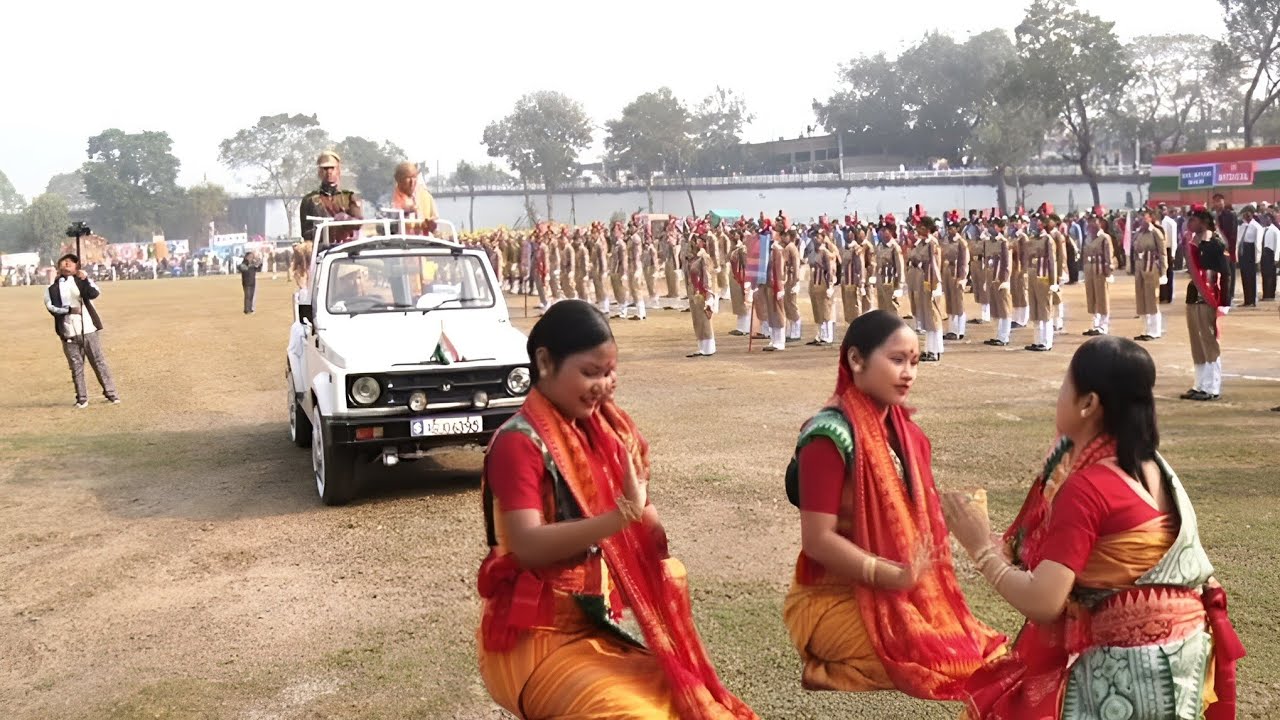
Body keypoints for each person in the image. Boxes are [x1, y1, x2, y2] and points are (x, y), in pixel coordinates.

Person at [476, 300, 758, 720]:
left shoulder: (607, 434)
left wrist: (644, 514)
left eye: (610, 372)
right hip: (534, 641)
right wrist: (618, 518)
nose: (604, 385)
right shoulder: (519, 443)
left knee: (702, 709)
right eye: (591, 372)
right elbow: (528, 546)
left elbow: (650, 536)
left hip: (595, 630)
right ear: (545, 362)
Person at [941, 336, 1245, 720]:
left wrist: (979, 547)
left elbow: (1044, 601)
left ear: (1089, 404)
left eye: (1065, 386)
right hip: (1179, 663)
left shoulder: (1087, 487)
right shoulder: (1152, 466)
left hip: (1127, 675)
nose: (1059, 396)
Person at [782, 310, 1006, 699]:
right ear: (856, 360)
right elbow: (818, 541)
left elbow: (916, 514)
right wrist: (894, 575)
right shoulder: (827, 436)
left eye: (915, 362)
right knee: (934, 663)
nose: (909, 374)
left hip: (900, 592)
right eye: (897, 360)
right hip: (831, 597)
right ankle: (829, 659)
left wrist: (975, 529)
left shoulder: (905, 434)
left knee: (982, 655)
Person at [45, 253, 120, 408]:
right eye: (64, 262)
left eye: (71, 262)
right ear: (59, 267)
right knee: (76, 366)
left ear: (76, 267)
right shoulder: (52, 289)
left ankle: (111, 393)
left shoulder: (82, 282)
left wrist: (85, 279)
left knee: (99, 362)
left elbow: (94, 294)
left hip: (88, 329)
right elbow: (51, 307)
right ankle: (82, 398)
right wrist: (68, 310)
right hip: (68, 332)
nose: (67, 264)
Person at [1182, 205, 1232, 401]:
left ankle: (1212, 388)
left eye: (1193, 220)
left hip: (1209, 297)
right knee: (1197, 343)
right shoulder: (1195, 242)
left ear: (1203, 221)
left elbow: (1225, 273)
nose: (1189, 224)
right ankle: (1200, 384)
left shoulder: (1215, 243)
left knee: (1209, 343)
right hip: (1195, 296)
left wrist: (1224, 302)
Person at [299, 151, 363, 247]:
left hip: (346, 249)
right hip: (321, 250)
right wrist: (325, 230)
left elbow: (358, 223)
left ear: (338, 170)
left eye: (332, 168)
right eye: (325, 169)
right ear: (319, 172)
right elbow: (305, 233)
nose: (329, 172)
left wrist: (345, 219)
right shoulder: (309, 200)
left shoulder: (349, 197)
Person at [1024, 218, 1058, 352]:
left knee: (1045, 310)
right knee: (1035, 309)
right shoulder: (1032, 239)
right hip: (1033, 275)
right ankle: (1037, 340)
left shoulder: (1047, 240)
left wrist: (1053, 282)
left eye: (1038, 223)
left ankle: (1046, 342)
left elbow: (1052, 261)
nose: (1035, 226)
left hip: (1043, 276)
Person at [1081, 215, 1115, 336]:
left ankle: (1103, 326)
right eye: (1089, 222)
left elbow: (1108, 255)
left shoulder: (1104, 238)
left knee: (1102, 298)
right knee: (1092, 298)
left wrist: (1109, 271)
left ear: (1100, 223)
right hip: (1090, 270)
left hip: (1100, 270)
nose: (1091, 225)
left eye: (1094, 222)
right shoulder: (1088, 238)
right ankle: (1095, 324)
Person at [685, 234, 719, 357]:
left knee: (704, 319)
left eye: (698, 240)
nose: (695, 243)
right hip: (694, 291)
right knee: (697, 319)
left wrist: (709, 295)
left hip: (702, 291)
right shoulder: (694, 258)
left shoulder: (704, 258)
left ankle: (709, 347)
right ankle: (701, 346)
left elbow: (708, 276)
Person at [983, 218, 1014, 347]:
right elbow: (987, 261)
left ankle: (1004, 337)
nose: (990, 229)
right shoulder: (990, 242)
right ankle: (999, 335)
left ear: (999, 228)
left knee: (1004, 309)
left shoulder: (1003, 243)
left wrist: (1005, 280)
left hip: (1001, 279)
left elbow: (1007, 263)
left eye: (993, 226)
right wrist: (986, 279)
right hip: (992, 278)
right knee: (997, 309)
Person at [390, 161, 438, 233]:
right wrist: (407, 210)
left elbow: (435, 218)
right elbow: (392, 222)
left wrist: (431, 224)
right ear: (398, 179)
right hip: (402, 241)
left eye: (414, 177)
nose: (412, 181)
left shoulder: (426, 196)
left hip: (425, 241)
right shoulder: (391, 199)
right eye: (408, 177)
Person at [941, 217, 969, 340]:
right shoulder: (946, 241)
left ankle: (959, 330)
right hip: (947, 272)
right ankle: (951, 329)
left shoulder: (961, 243)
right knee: (950, 301)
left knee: (958, 302)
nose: (950, 230)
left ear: (957, 229)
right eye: (948, 228)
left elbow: (964, 261)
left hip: (956, 272)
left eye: (952, 228)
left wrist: (962, 277)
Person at [1237, 205, 1261, 307]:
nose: (1246, 215)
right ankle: (1247, 300)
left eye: (1248, 213)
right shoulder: (1242, 226)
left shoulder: (1257, 227)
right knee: (1244, 276)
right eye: (1245, 213)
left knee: (1251, 277)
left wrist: (1257, 259)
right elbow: (1238, 241)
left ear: (1252, 214)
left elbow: (1258, 244)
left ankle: (1252, 300)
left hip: (1251, 252)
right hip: (1243, 252)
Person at [1262, 209, 1279, 301]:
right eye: (1265, 219)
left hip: (1271, 254)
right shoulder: (1264, 229)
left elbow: (1278, 245)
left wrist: (1276, 258)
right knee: (1265, 274)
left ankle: (1270, 294)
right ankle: (1265, 294)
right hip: (1264, 254)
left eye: (1268, 218)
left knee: (1271, 275)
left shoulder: (1275, 230)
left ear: (1271, 219)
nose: (1266, 220)